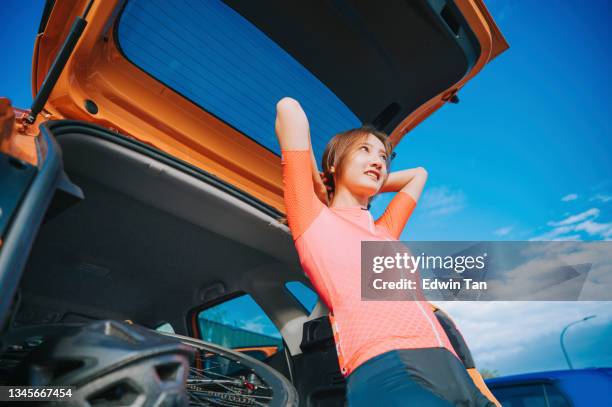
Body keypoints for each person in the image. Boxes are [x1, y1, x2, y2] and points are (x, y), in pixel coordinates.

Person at [275, 97, 496, 406]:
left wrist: (365, 178)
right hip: (386, 365)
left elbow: (418, 174)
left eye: (383, 156)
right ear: (335, 163)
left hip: (449, 366)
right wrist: (321, 180)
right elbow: (290, 110)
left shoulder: (384, 231)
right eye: (363, 151)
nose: (378, 161)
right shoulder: (313, 220)